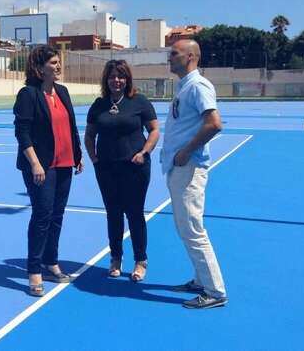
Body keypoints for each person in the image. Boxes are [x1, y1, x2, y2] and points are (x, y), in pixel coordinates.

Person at [160, 39, 227, 309]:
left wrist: (186, 151)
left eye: (174, 54)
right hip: (178, 167)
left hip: (189, 167)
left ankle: (215, 291)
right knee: (184, 227)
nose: (169, 58)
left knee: (193, 229)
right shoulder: (184, 85)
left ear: (190, 57)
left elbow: (214, 124)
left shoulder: (198, 86)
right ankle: (201, 280)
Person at [13, 44, 84, 297]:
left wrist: (77, 155)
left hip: (65, 163)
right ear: (39, 67)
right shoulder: (28, 94)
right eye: (53, 62)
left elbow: (71, 126)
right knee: (42, 215)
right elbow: (22, 133)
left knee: (57, 215)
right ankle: (34, 269)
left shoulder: (62, 92)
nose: (58, 66)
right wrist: (34, 163)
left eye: (58, 62)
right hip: (41, 166)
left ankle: (51, 261)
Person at [85, 60, 160, 282]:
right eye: (112, 77)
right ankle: (115, 258)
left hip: (135, 168)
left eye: (120, 76)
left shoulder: (139, 101)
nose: (116, 80)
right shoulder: (99, 105)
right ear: (105, 80)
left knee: (135, 214)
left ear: (127, 79)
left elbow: (154, 130)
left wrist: (144, 152)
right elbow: (90, 135)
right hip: (106, 168)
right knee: (113, 214)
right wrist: (94, 158)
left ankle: (140, 260)